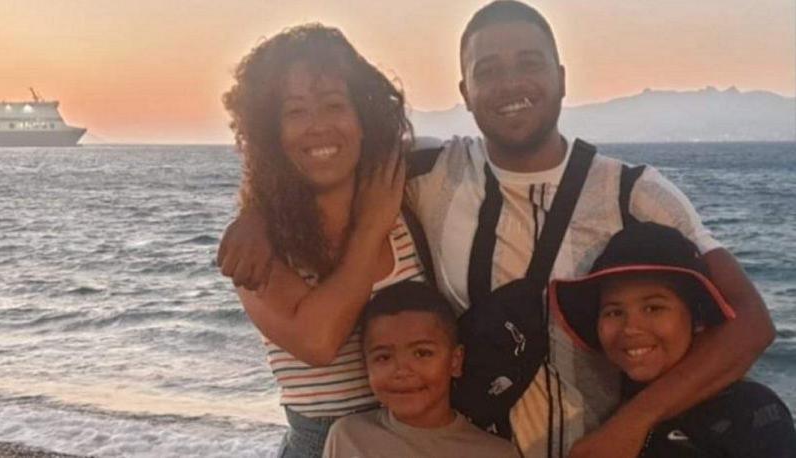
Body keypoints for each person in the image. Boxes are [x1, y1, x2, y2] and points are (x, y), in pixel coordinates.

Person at [218, 2, 775, 456]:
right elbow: (325, 161)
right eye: (488, 70)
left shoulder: (633, 191)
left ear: (560, 78)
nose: (511, 84)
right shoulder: (431, 175)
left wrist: (629, 429)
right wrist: (260, 214)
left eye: (529, 63)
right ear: (465, 92)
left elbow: (749, 324)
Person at [221, 24, 427, 458]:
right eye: (295, 112)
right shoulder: (257, 249)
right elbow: (317, 340)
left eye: (334, 105)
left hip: (422, 437)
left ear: (363, 117)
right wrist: (371, 228)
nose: (318, 127)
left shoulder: (406, 191)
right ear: (269, 133)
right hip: (323, 446)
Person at [551, 222, 796, 457]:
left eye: (653, 308)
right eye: (614, 312)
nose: (630, 328)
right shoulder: (604, 404)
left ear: (697, 318)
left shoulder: (752, 412)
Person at [322, 281, 520, 458]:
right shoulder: (347, 437)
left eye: (422, 353)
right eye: (383, 357)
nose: (402, 370)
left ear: (454, 361)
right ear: (366, 364)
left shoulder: (495, 454)